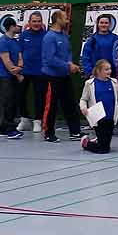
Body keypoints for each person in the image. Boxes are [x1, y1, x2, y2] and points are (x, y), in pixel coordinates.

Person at [40, 8, 79, 142]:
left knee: (70, 104)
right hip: (51, 77)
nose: (67, 21)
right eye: (65, 18)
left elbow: (68, 52)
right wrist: (68, 65)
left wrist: (70, 63)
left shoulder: (64, 36)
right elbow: (50, 59)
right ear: (57, 19)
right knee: (51, 106)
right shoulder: (49, 37)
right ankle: (48, 132)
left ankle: (75, 132)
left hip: (64, 76)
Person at [77, 59, 118, 153]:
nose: (109, 71)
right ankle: (86, 143)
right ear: (98, 71)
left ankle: (98, 141)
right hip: (98, 118)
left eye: (110, 69)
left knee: (106, 145)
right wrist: (83, 107)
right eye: (106, 69)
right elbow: (83, 99)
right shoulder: (90, 84)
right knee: (103, 150)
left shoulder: (114, 83)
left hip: (111, 117)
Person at [0, 15, 26, 139]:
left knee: (13, 102)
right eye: (16, 26)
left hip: (12, 76)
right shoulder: (3, 42)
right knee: (8, 103)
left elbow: (20, 57)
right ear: (11, 27)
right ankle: (10, 129)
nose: (18, 28)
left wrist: (20, 67)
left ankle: (4, 128)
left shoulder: (15, 41)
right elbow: (7, 62)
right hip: (4, 77)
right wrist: (17, 74)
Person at [18, 11, 46, 133]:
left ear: (42, 22)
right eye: (34, 21)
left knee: (39, 97)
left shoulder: (46, 35)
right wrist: (19, 67)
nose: (36, 23)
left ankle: (38, 121)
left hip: (40, 72)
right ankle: (24, 120)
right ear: (29, 22)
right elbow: (19, 52)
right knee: (20, 95)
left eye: (38, 21)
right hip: (24, 70)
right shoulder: (24, 35)